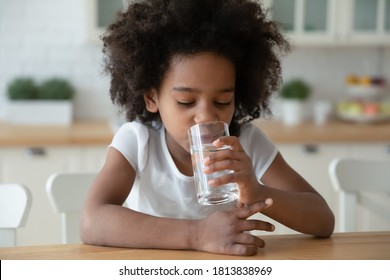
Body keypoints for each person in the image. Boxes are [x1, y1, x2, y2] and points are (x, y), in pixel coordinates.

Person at [80, 0, 334, 256]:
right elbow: (92, 221)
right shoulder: (137, 142)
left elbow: (323, 220)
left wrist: (257, 191)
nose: (206, 116)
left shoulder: (246, 143)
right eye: (186, 101)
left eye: (223, 101)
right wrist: (197, 234)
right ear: (152, 98)